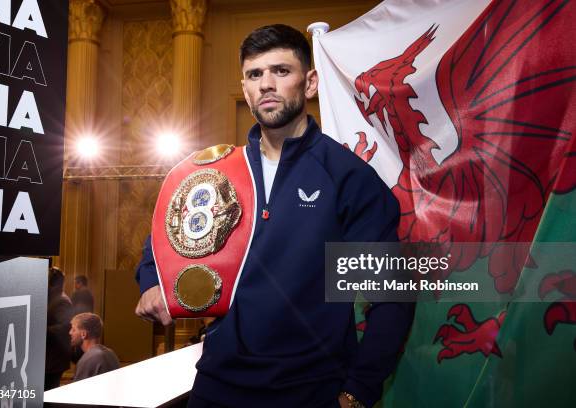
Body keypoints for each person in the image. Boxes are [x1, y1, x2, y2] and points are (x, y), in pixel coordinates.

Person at [135, 24, 414, 407]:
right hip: (217, 385)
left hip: (312, 391)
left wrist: (358, 392)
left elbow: (391, 298)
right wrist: (151, 281)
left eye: (281, 71)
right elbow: (164, 239)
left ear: (310, 82)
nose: (267, 84)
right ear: (245, 88)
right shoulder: (219, 172)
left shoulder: (347, 177)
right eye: (255, 74)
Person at [45, 267, 74, 390]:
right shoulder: (54, 297)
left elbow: (64, 327)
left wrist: (42, 330)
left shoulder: (62, 301)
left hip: (54, 359)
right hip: (51, 358)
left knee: (49, 392)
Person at [69, 313, 120, 381]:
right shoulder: (111, 353)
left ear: (83, 334)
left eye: (73, 329)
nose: (70, 332)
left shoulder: (89, 359)